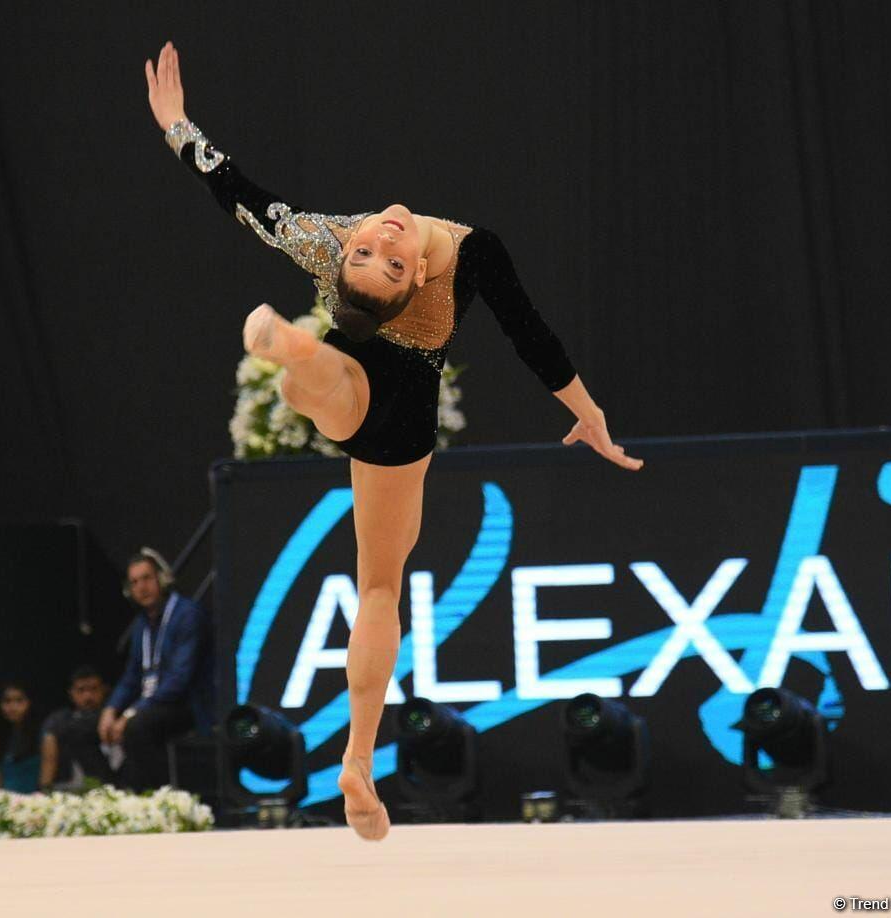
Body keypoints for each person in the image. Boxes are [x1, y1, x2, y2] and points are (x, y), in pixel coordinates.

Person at [145, 42, 643, 840]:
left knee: (337, 403)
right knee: (379, 589)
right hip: (397, 418)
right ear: (382, 274)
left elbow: (238, 193)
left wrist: (179, 128)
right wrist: (590, 412)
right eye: (378, 255)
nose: (385, 238)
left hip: (368, 395)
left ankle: (295, 358)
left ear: (397, 278)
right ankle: (357, 758)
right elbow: (529, 335)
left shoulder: (342, 243)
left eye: (384, 256)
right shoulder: (419, 248)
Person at [98, 548, 205, 791]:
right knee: (90, 725)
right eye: (134, 582)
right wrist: (111, 709)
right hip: (151, 705)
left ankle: (155, 795)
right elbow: (131, 676)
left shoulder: (187, 615)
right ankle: (114, 793)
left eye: (146, 578)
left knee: (137, 726)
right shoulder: (141, 624)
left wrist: (130, 713)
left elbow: (178, 681)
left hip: (184, 704)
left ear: (162, 579)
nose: (141, 587)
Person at [38, 665, 113, 790]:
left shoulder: (114, 717)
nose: (88, 696)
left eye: (94, 689)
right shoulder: (58, 720)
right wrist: (44, 790)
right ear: (71, 693)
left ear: (104, 690)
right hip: (67, 785)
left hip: (110, 784)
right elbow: (49, 758)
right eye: (81, 690)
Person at [0, 681, 41, 794]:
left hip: (36, 800)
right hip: (7, 801)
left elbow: (46, 784)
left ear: (30, 703)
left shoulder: (42, 734)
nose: (12, 707)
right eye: (7, 701)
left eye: (19, 701)